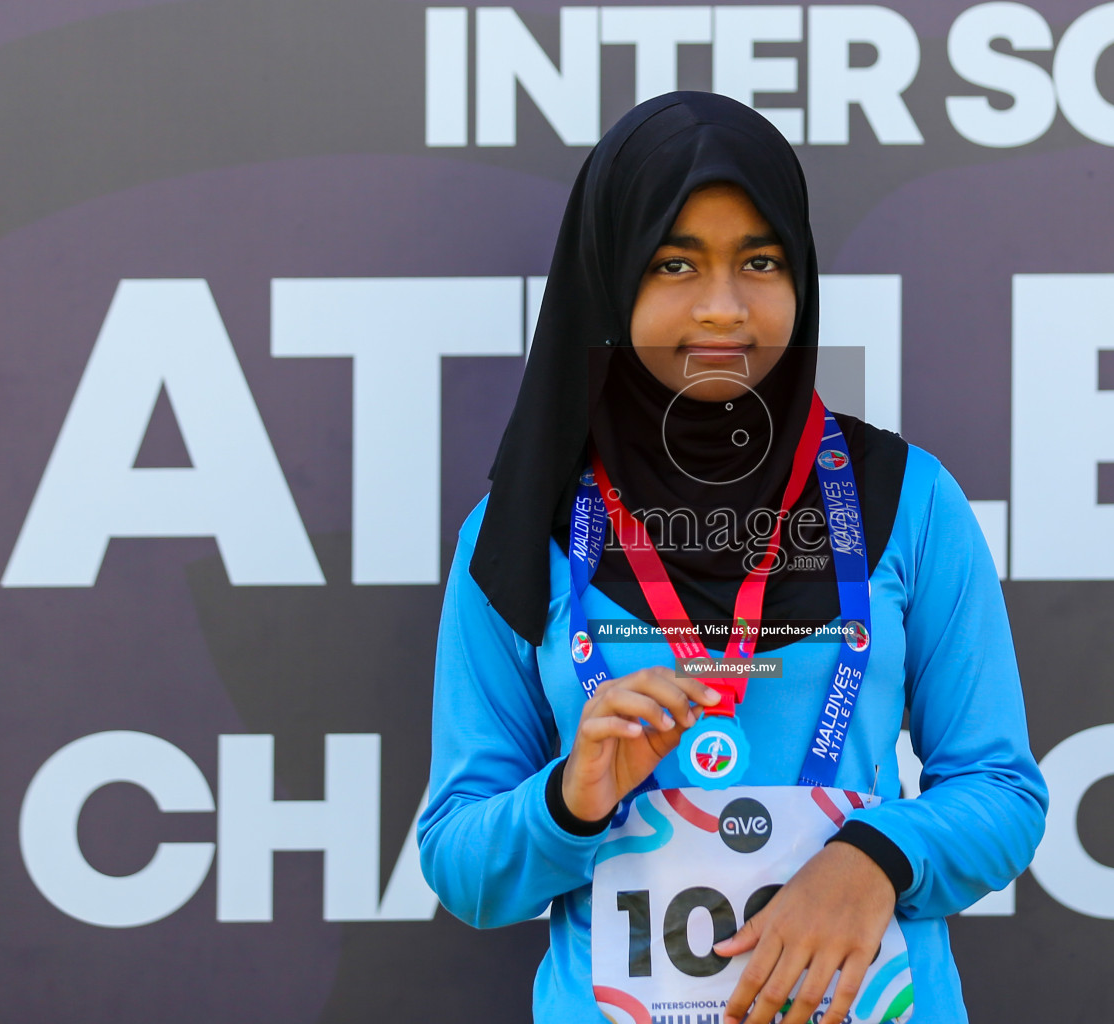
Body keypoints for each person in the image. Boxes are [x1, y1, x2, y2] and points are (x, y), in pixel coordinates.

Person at [418, 91, 1047, 1024]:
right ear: (611, 276)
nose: (724, 308)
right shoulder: (525, 528)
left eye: (760, 261)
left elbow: (1003, 791)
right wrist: (569, 801)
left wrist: (877, 859)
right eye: (676, 264)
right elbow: (463, 867)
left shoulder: (905, 500)